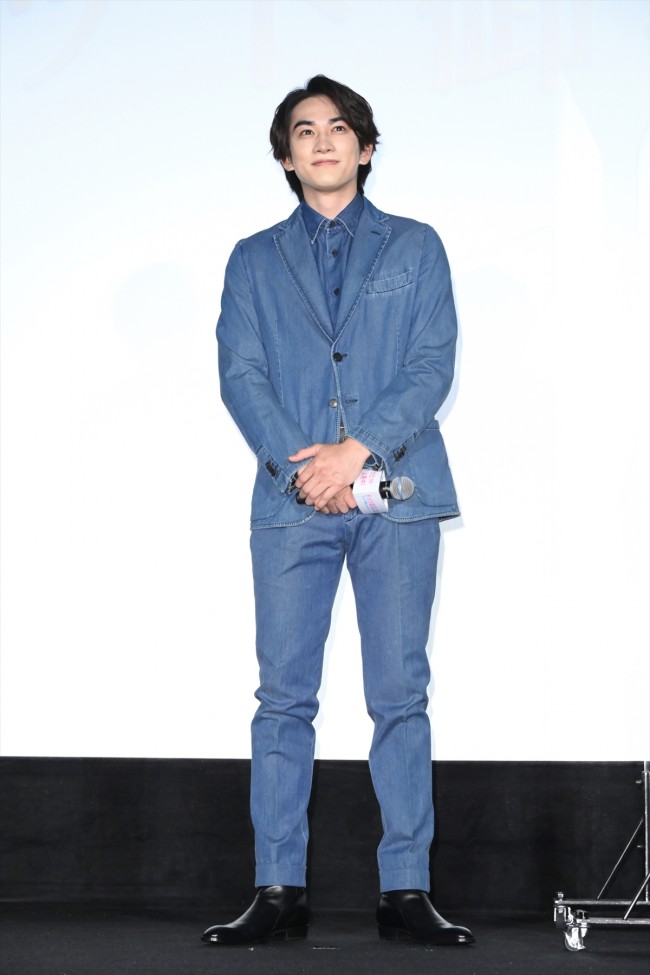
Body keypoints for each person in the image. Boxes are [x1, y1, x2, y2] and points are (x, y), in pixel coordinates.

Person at [202, 75, 473, 948]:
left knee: (401, 695)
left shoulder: (416, 246)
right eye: (304, 130)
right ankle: (278, 888)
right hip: (292, 504)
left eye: (339, 127)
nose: (322, 141)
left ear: (366, 145)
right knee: (283, 698)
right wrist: (307, 470)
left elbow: (431, 364)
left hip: (397, 496)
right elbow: (240, 374)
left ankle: (406, 889)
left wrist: (358, 451)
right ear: (286, 157)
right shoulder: (252, 259)